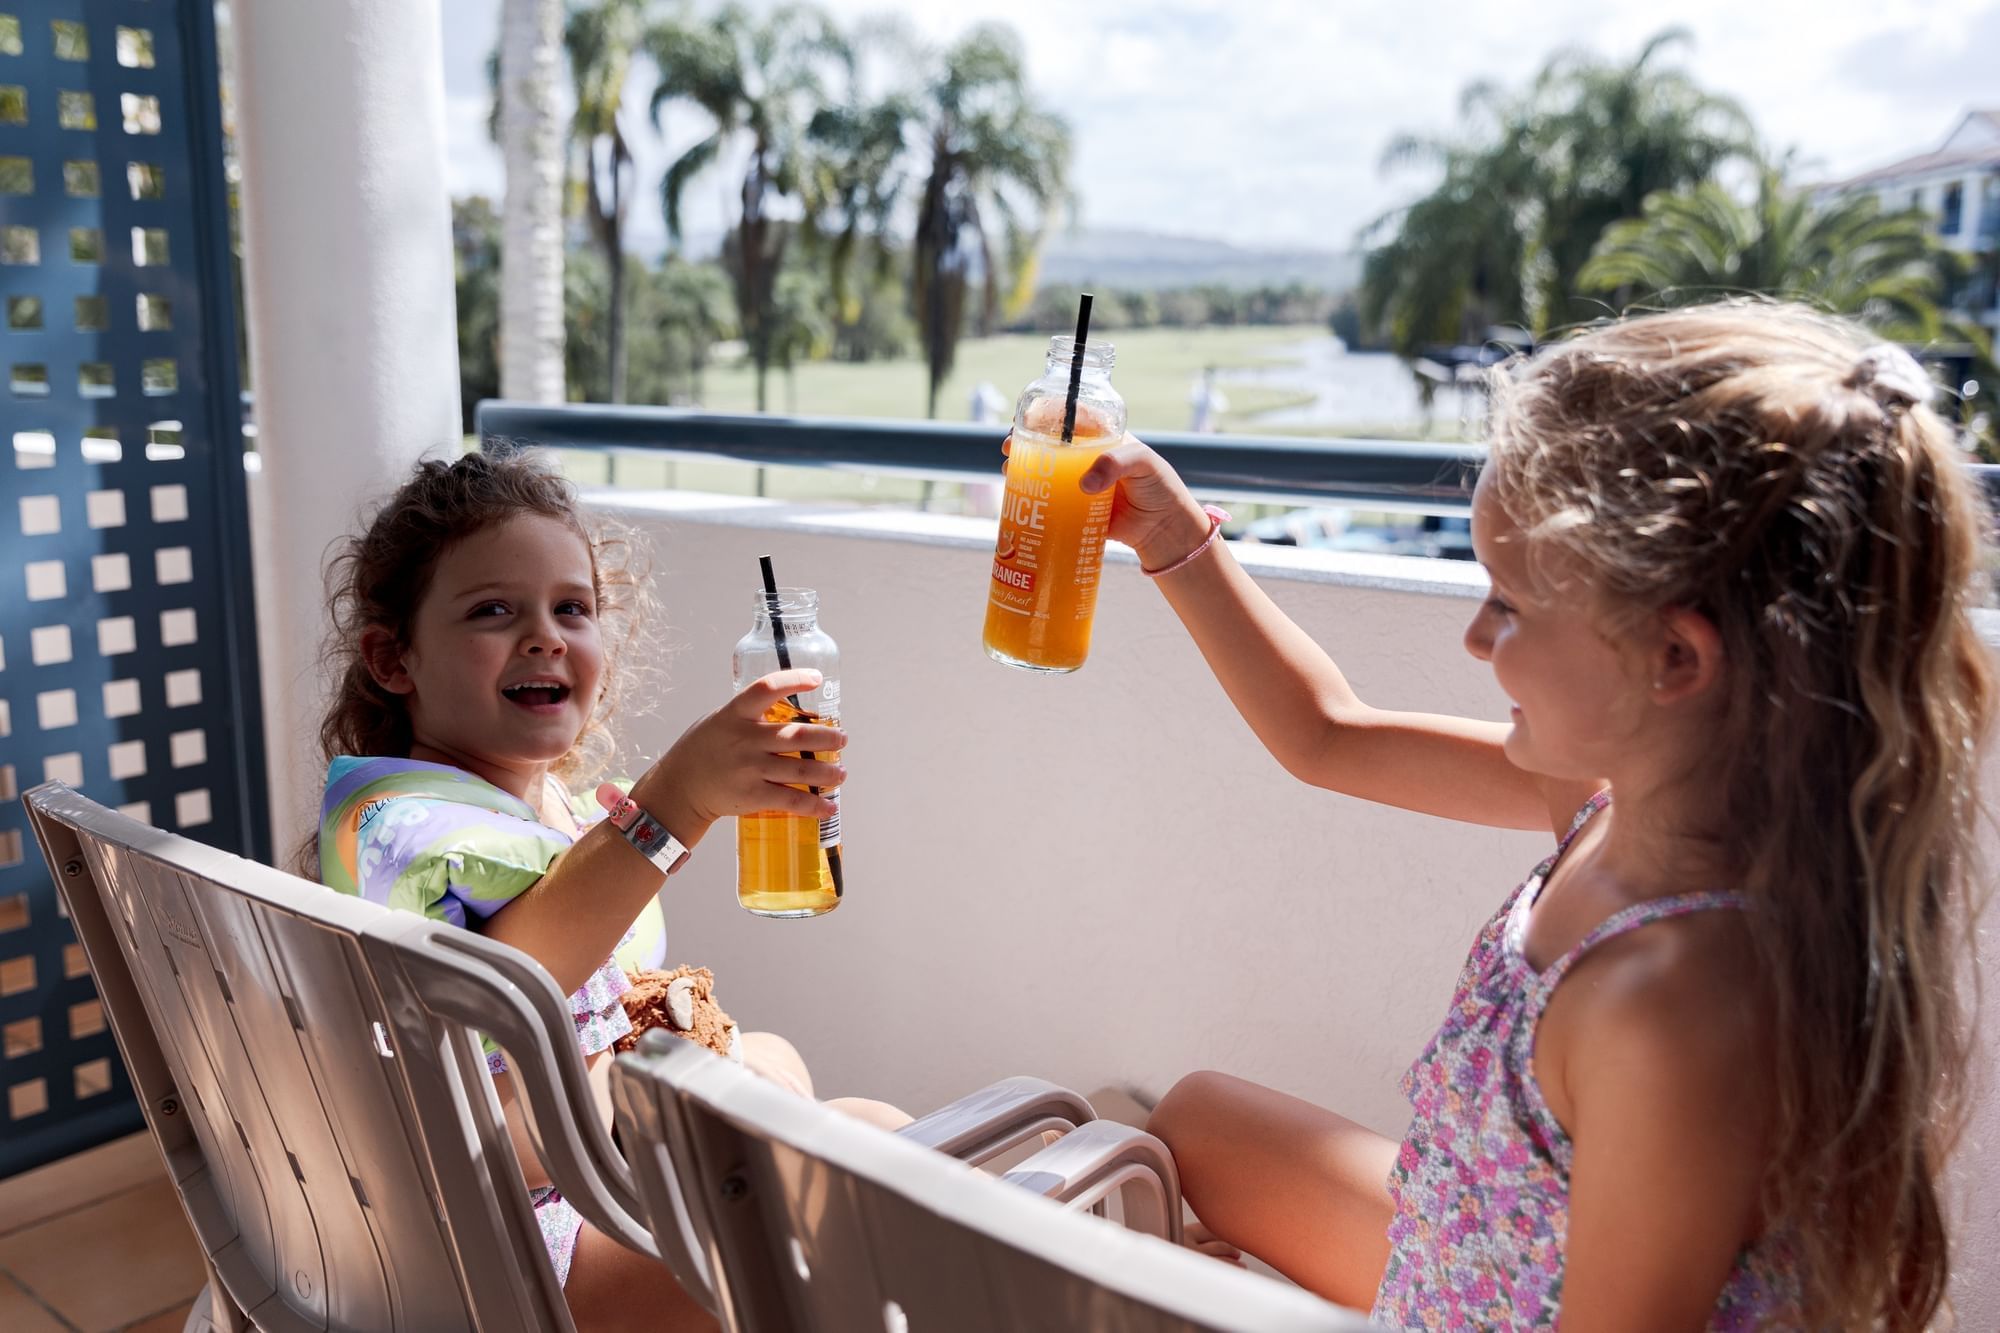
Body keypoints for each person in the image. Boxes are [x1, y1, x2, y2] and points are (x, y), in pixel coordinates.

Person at [1065, 302, 1992, 1329]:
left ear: (1672, 659)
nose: (1471, 637)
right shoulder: (1607, 799)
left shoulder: (1669, 1006)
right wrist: (1168, 534)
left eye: (1505, 604)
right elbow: (1326, 733)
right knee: (1194, 1121)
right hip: (1489, 1247)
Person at [307, 451, 906, 1331]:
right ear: (394, 659)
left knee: (882, 1130)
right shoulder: (402, 829)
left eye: (572, 608)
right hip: (525, 1259)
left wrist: (725, 1062)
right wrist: (677, 802)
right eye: (493, 610)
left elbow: (599, 1016)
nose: (545, 634)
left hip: (600, 1187)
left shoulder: (552, 813)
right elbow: (503, 986)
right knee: (870, 1221)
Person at [1188, 365, 1229, 433]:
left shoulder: (1215, 393)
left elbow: (1222, 407)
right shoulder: (1198, 390)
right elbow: (1191, 400)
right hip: (1197, 425)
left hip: (1208, 426)